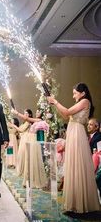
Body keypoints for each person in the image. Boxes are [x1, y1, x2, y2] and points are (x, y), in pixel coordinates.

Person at [47, 82, 100, 213]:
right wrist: (54, 104)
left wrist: (55, 101)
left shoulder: (85, 101)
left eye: (75, 93)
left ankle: (81, 204)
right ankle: (75, 202)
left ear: (83, 93)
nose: (73, 95)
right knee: (72, 165)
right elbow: (65, 115)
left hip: (77, 134)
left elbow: (67, 112)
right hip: (73, 133)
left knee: (78, 165)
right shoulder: (80, 103)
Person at [12, 108, 47, 188]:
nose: (37, 112)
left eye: (39, 111)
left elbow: (26, 118)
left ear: (42, 113)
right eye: (37, 111)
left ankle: (33, 180)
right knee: (29, 160)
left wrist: (17, 113)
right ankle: (28, 179)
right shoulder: (35, 120)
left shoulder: (38, 120)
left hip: (33, 140)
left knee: (32, 159)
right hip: (29, 139)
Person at [9, 109, 32, 176]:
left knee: (22, 155)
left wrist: (14, 126)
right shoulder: (24, 122)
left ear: (30, 115)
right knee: (20, 155)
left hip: (26, 139)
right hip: (22, 139)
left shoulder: (28, 122)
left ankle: (24, 171)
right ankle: (20, 170)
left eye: (26, 113)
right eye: (24, 113)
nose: (25, 114)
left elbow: (21, 130)